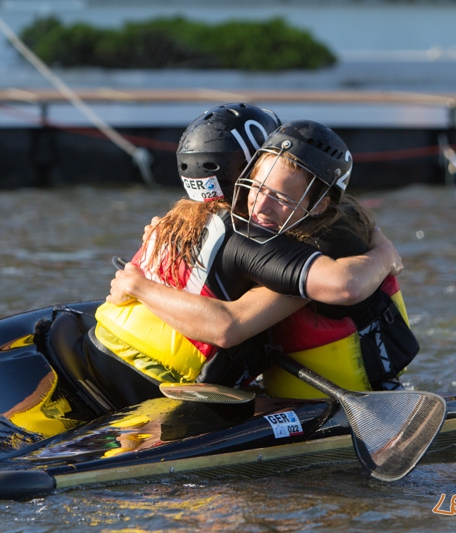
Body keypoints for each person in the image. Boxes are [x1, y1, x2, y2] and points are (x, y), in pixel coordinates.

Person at [101, 113, 415, 399]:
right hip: (271, 394)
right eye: (255, 187)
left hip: (355, 398)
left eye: (279, 197)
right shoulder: (246, 229)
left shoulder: (324, 247)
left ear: (319, 204)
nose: (260, 209)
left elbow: (230, 325)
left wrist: (137, 286)